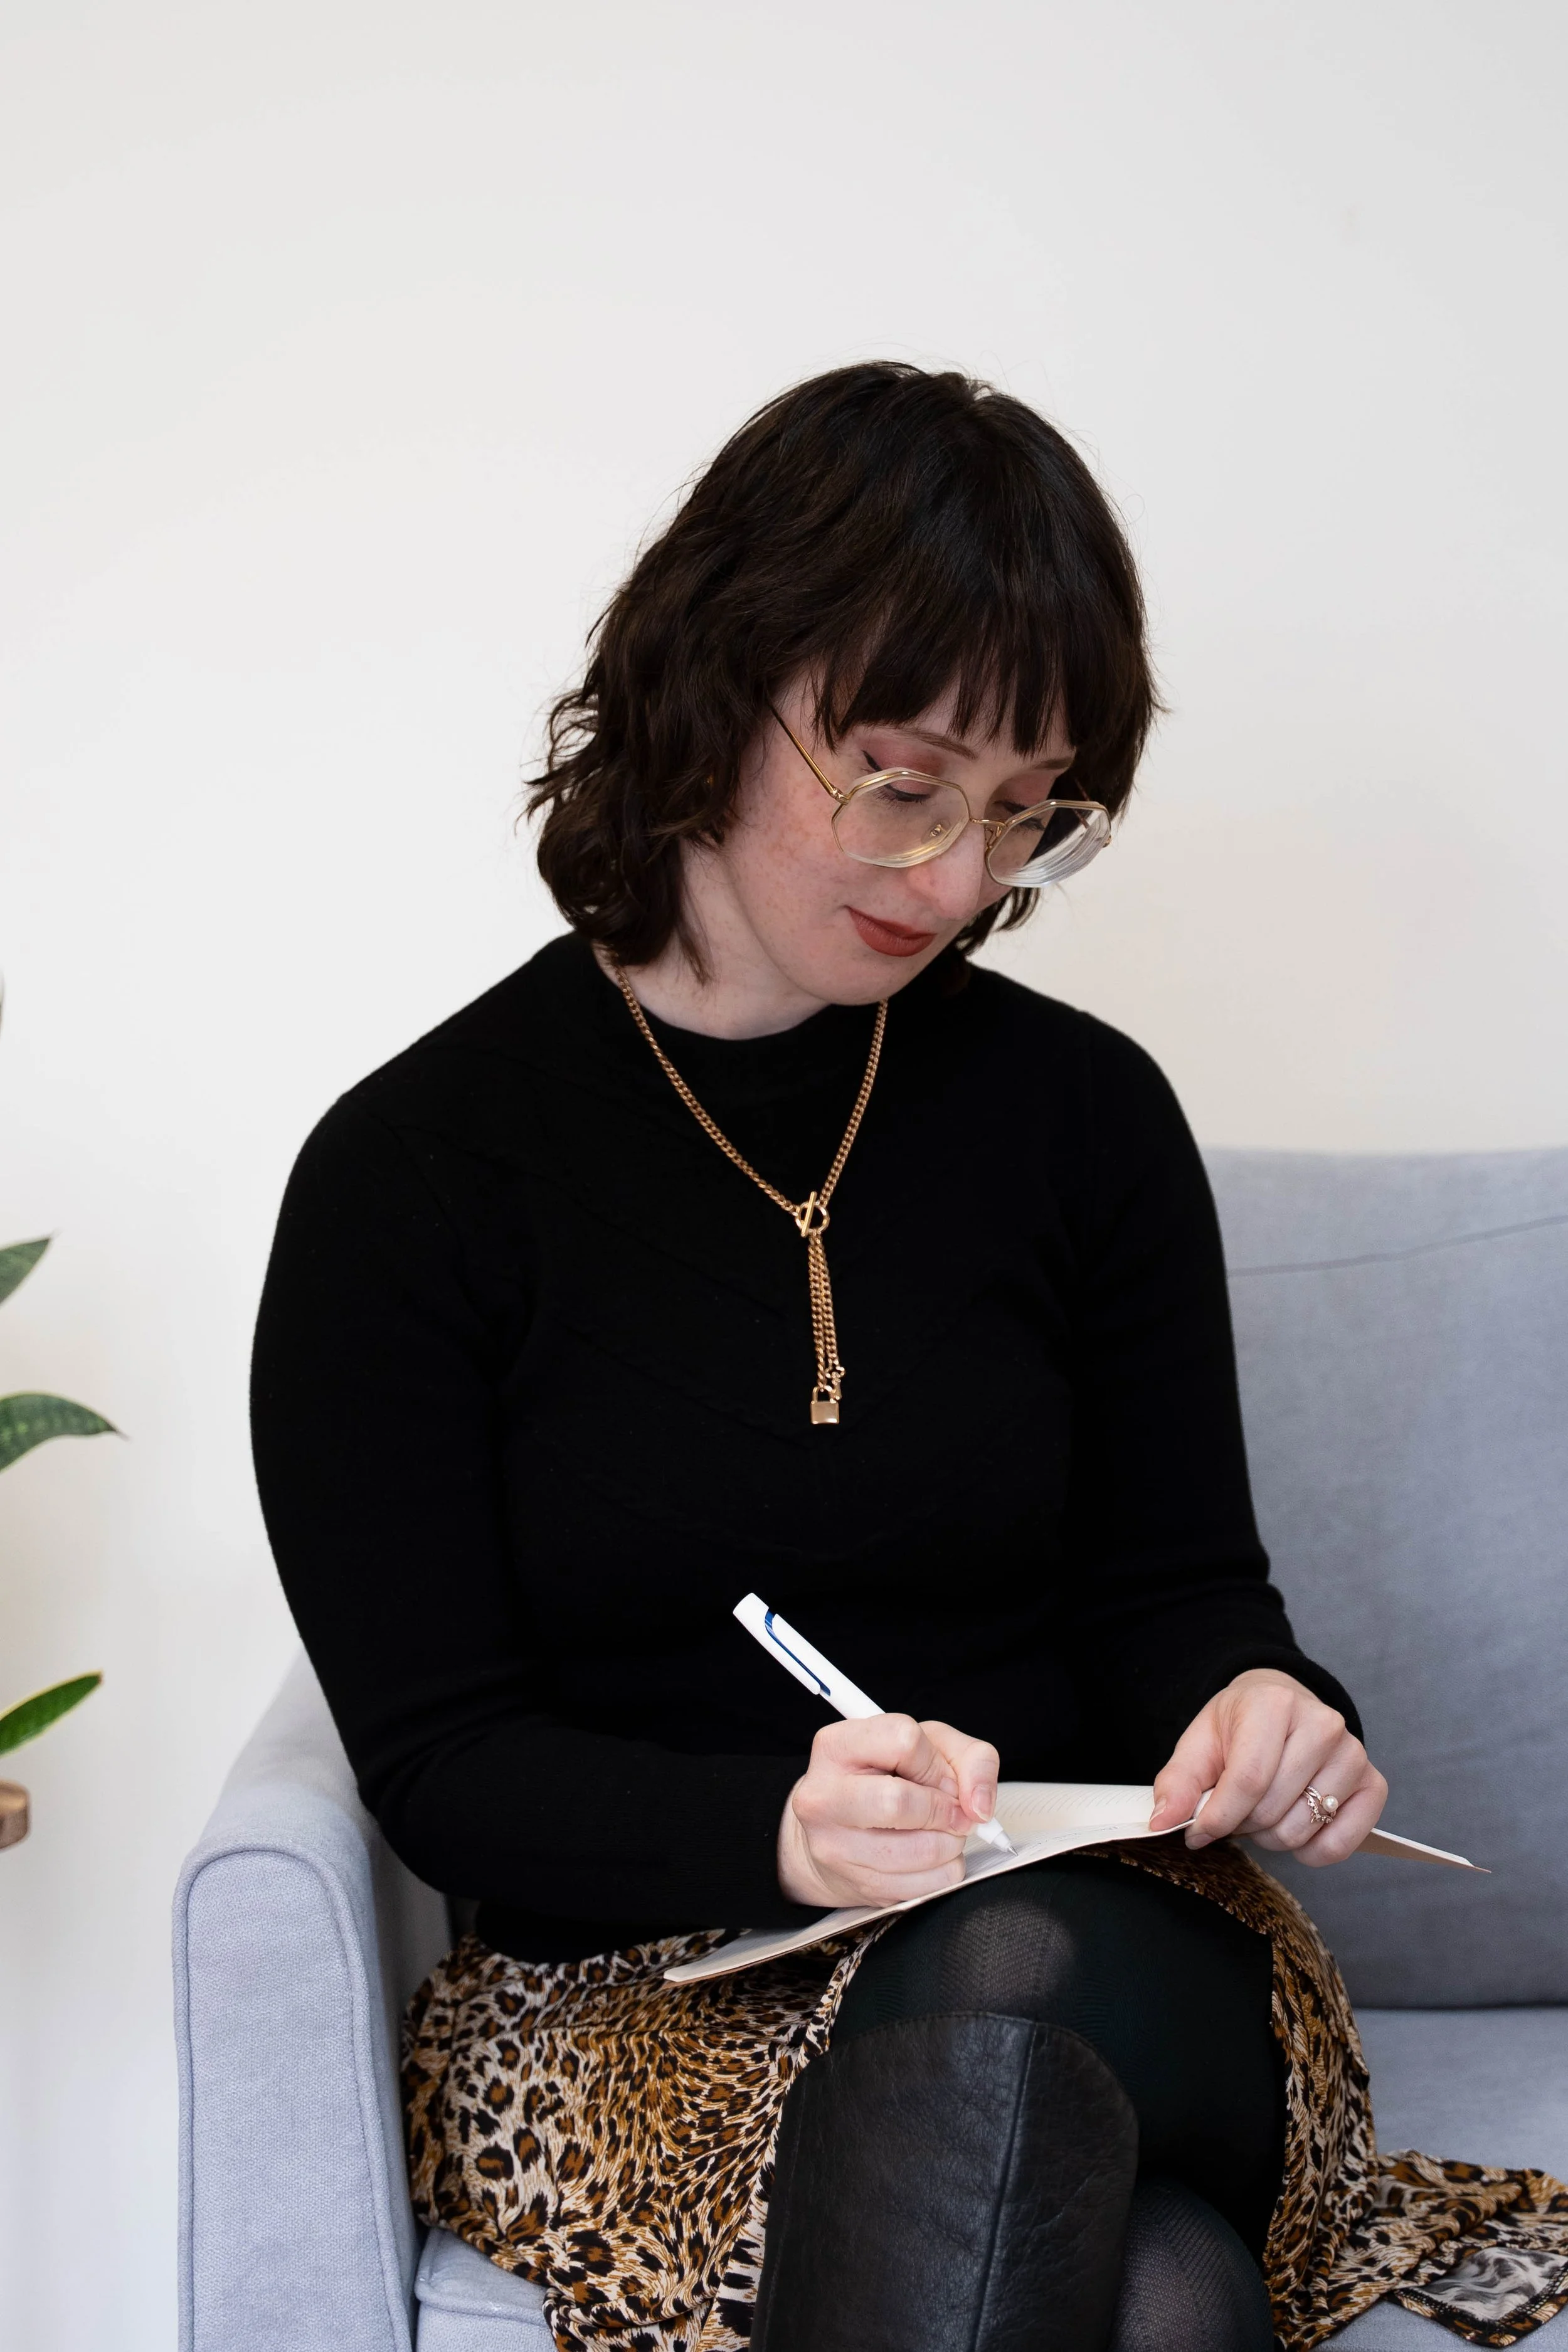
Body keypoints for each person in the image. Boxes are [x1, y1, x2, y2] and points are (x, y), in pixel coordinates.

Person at [252, 363, 1392, 2352]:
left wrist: (1260, 1701)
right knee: (1155, 2291)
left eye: (1028, 813)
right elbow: (443, 1758)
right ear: (714, 683)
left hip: (1105, 1948)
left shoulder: (1083, 1119)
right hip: (635, 2001)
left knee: (1013, 1992)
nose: (957, 882)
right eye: (901, 778)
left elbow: (1177, 1591)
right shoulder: (413, 1178)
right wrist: (769, 1824)